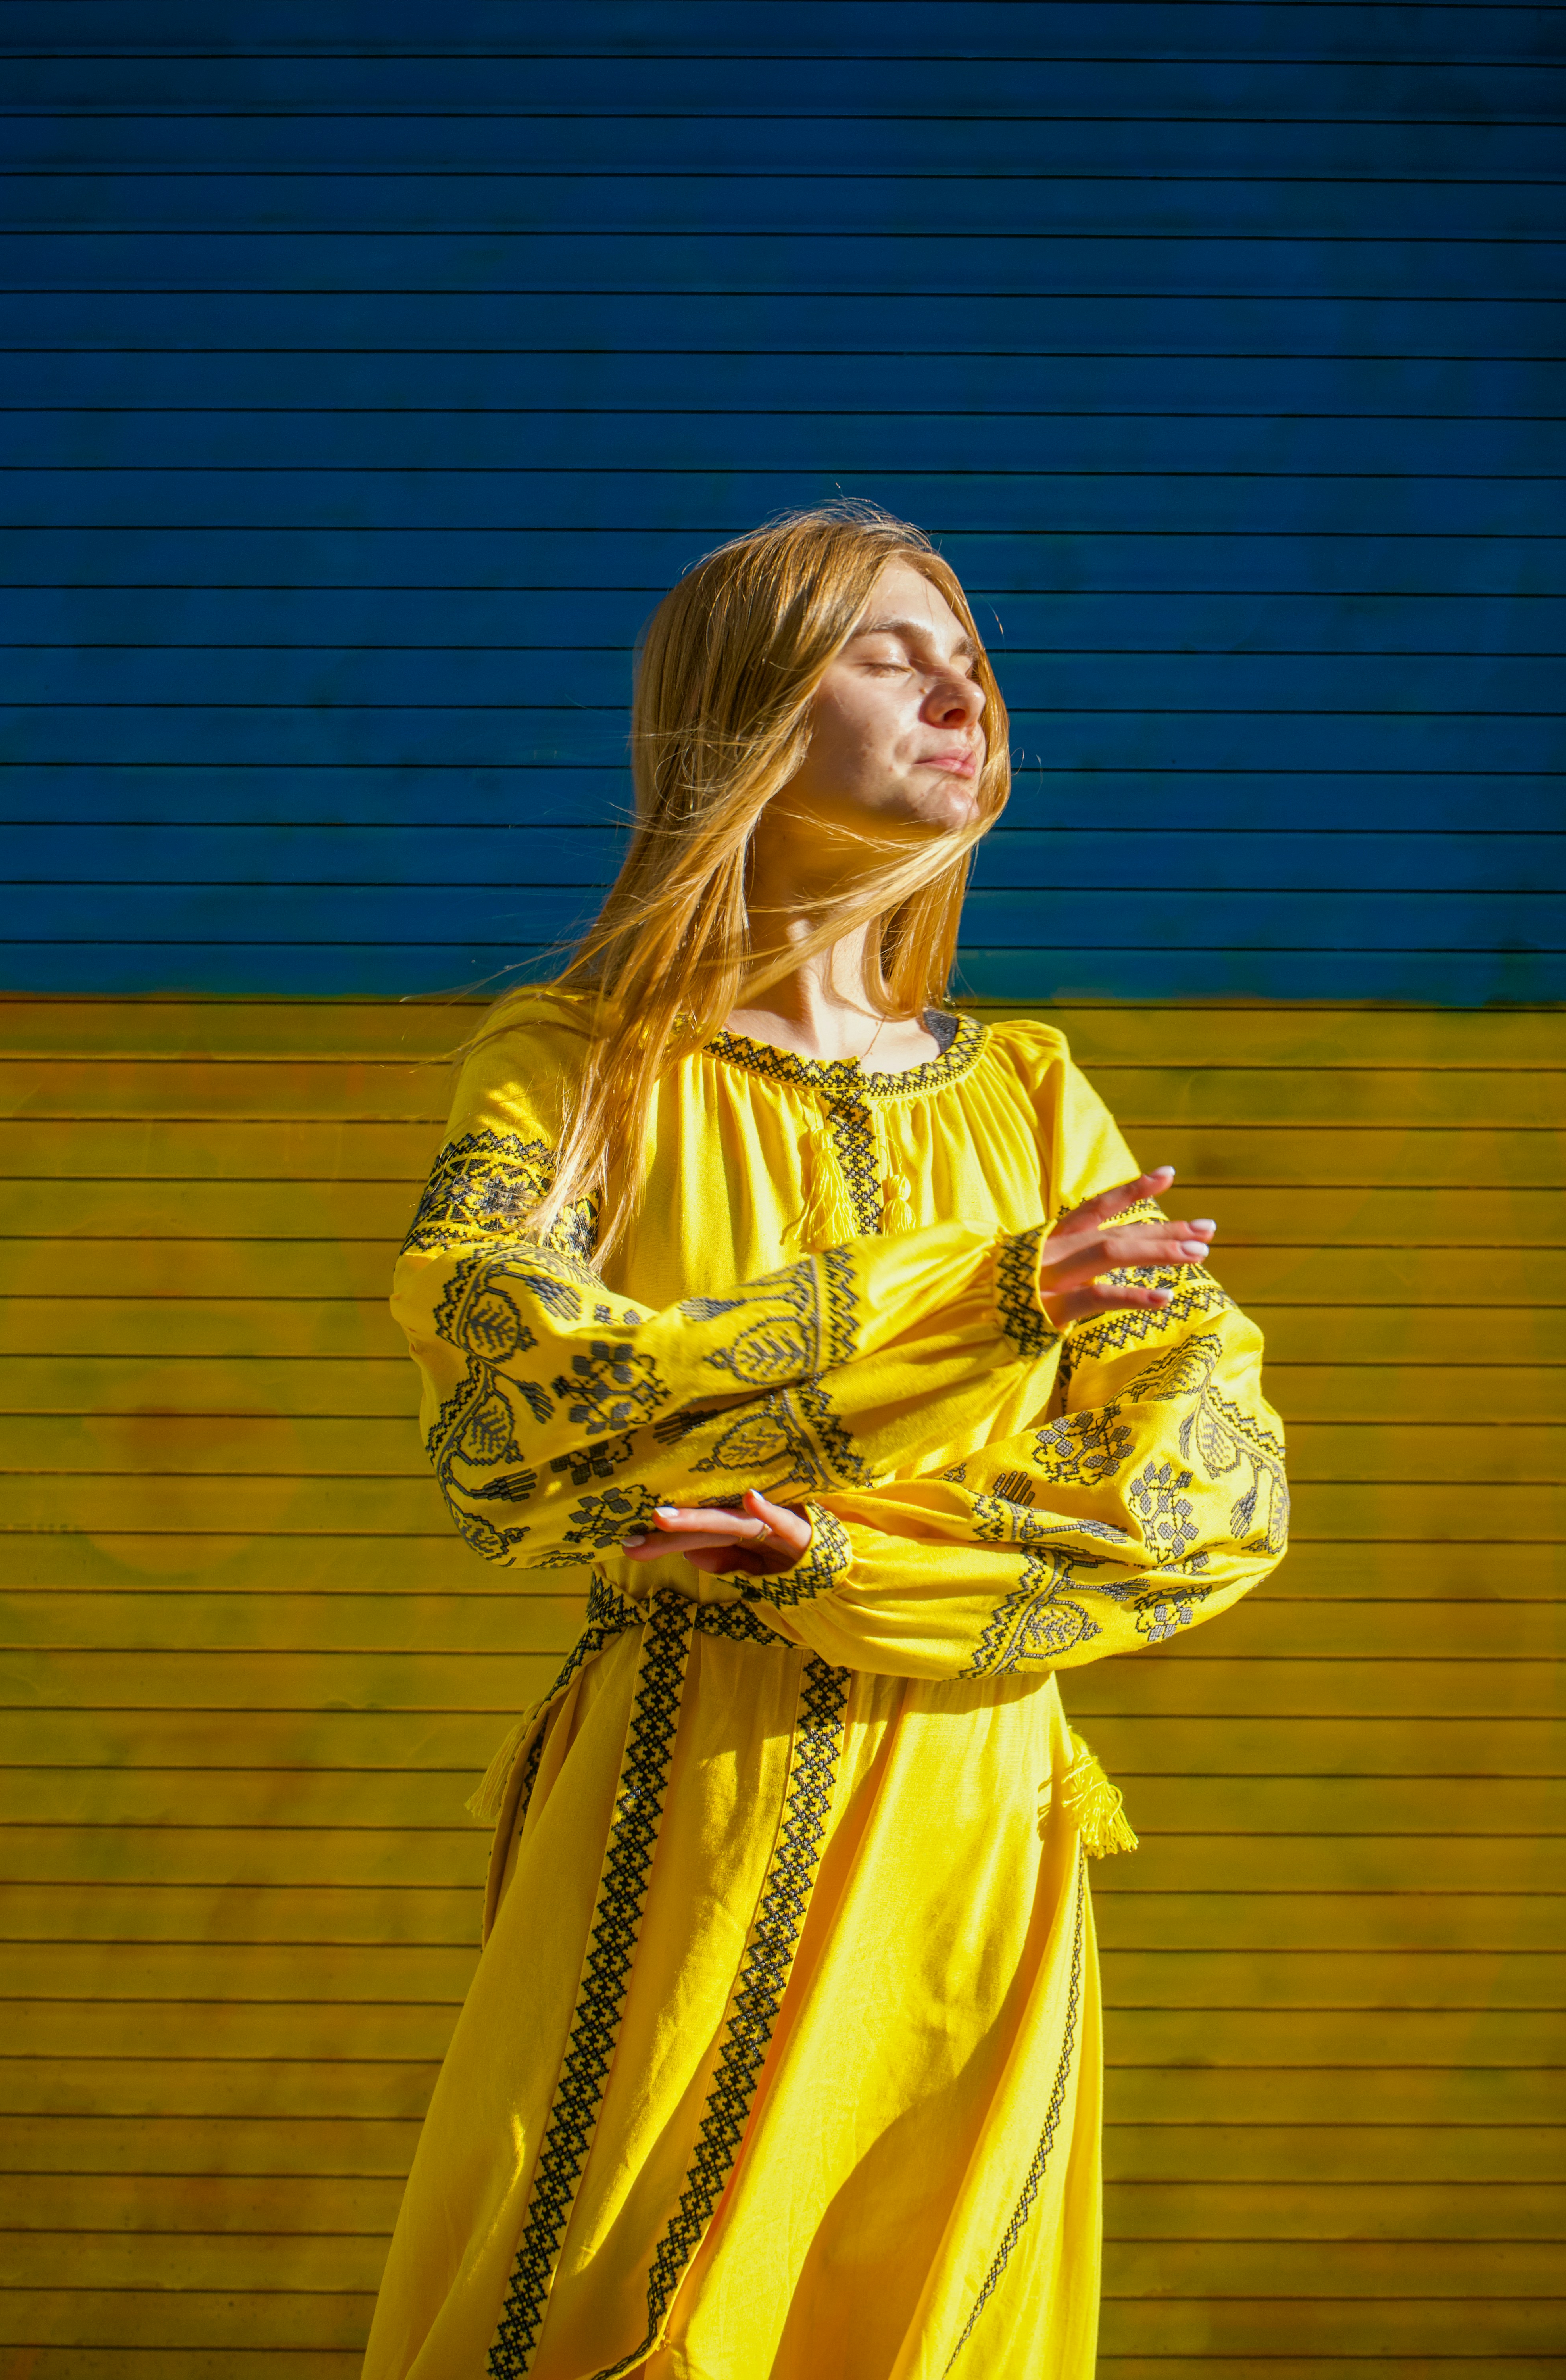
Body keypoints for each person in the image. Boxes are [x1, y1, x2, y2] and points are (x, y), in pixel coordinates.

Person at [362, 504, 1287, 2380]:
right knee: (607, 2305)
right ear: (746, 716)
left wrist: (856, 1561)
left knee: (932, 2322)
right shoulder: (578, 1069)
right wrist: (984, 1305)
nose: (959, 683)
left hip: (975, 1811)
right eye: (887, 649)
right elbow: (512, 1394)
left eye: (968, 655)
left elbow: (1214, 1481)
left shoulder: (1032, 1092)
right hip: (683, 1782)